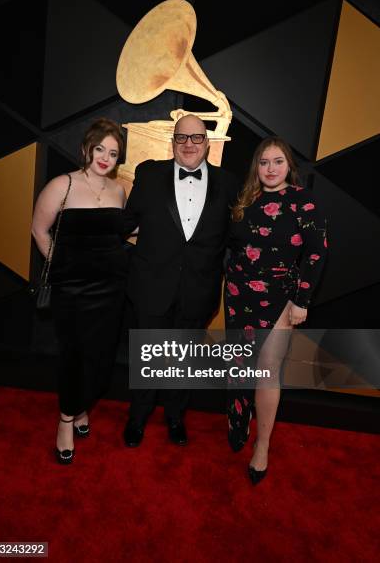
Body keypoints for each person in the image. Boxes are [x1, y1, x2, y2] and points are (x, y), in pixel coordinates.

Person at [123, 114, 240, 447]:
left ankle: (175, 417)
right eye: (182, 138)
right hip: (151, 286)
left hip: (198, 289)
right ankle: (138, 417)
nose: (189, 144)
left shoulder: (229, 183)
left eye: (197, 138)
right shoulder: (148, 174)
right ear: (172, 141)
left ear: (207, 142)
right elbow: (128, 221)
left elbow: (236, 237)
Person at [225, 136, 327, 484]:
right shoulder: (246, 198)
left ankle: (262, 445)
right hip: (239, 294)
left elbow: (316, 254)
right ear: (257, 166)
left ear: (289, 166)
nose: (270, 168)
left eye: (278, 161)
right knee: (239, 362)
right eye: (264, 162)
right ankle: (239, 420)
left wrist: (301, 301)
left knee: (267, 370)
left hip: (280, 299)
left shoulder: (303, 202)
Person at [32, 118, 128, 464]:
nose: (105, 157)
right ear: (87, 148)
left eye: (113, 153)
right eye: (100, 148)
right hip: (72, 289)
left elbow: (117, 237)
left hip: (111, 289)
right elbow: (39, 230)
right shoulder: (63, 185)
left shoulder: (120, 191)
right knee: (74, 355)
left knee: (101, 356)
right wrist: (64, 264)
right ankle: (66, 419)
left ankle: (84, 405)